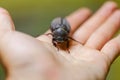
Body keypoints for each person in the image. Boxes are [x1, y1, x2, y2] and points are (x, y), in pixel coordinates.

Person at [0, 1, 120, 80]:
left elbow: (64, 38)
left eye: (62, 40)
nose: (60, 41)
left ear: (66, 36)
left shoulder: (65, 35)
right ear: (53, 35)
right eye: (57, 40)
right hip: (59, 25)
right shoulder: (55, 34)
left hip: (61, 26)